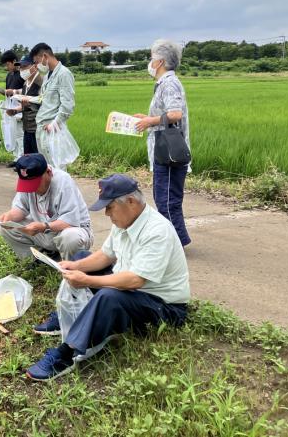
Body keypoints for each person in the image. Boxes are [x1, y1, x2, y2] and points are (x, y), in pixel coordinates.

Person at [26, 174, 190, 381]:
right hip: (133, 291)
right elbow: (105, 256)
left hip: (163, 307)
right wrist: (74, 265)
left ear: (130, 202)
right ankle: (68, 318)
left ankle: (67, 354)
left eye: (110, 207)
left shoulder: (157, 231)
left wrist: (86, 280)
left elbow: (135, 280)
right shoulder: (124, 222)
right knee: (82, 257)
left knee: (109, 296)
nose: (106, 214)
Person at [133, 39, 192, 247]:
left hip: (168, 152)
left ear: (160, 62)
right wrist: (149, 118)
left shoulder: (168, 83)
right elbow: (167, 114)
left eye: (151, 58)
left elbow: (175, 114)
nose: (150, 63)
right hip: (165, 149)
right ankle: (177, 241)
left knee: (167, 199)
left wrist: (150, 120)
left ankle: (173, 244)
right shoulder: (165, 83)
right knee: (167, 198)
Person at [0, 153, 93, 261]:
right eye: (28, 184)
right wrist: (9, 217)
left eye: (35, 184)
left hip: (71, 231)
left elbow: (70, 222)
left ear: (48, 172)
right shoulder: (28, 180)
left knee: (70, 237)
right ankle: (38, 261)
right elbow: (20, 208)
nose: (32, 189)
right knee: (6, 228)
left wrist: (43, 227)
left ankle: (72, 269)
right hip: (44, 231)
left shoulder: (63, 181)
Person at [30, 43, 76, 170]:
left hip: (52, 127)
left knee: (57, 166)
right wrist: (28, 100)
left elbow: (68, 105)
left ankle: (61, 190)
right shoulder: (47, 75)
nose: (36, 65)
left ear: (45, 56)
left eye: (37, 61)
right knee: (47, 167)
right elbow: (44, 99)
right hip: (41, 126)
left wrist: (54, 124)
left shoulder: (64, 74)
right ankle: (50, 190)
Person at [9, 54, 42, 155]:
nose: (22, 70)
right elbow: (26, 103)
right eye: (20, 67)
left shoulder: (40, 81)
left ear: (34, 66)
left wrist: (29, 104)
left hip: (37, 127)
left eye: (24, 66)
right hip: (27, 126)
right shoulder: (25, 83)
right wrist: (15, 111)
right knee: (28, 156)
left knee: (38, 156)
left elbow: (45, 102)